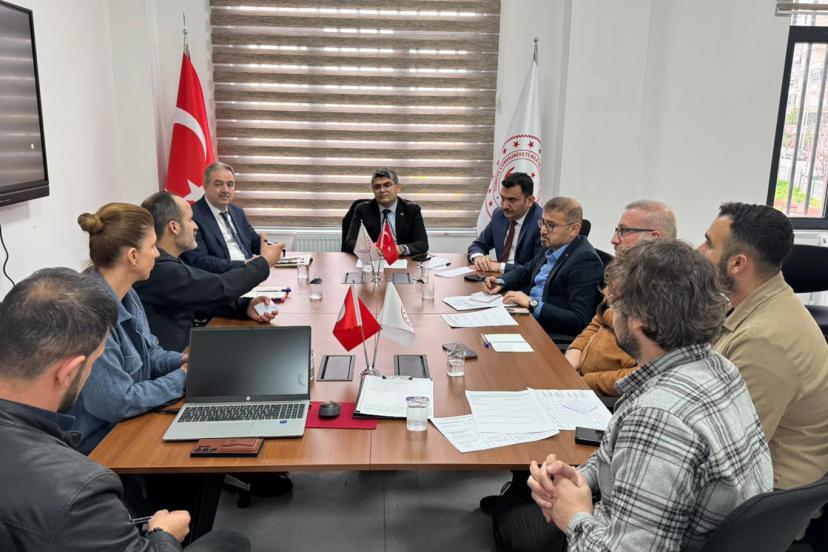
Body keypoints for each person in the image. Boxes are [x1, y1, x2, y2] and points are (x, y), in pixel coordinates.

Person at [492, 240, 772, 552]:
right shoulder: (720, 367)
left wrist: (574, 516)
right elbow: (617, 456)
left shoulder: (656, 418)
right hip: (666, 526)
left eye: (615, 304)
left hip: (617, 537)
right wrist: (581, 477)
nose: (611, 313)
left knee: (513, 522)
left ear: (640, 321)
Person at [0, 267, 250, 551]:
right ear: (67, 373)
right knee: (230, 542)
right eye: (94, 364)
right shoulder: (81, 490)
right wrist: (163, 535)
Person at [699, 202, 828, 490]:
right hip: (745, 480)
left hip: (765, 499)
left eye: (708, 244)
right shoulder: (751, 304)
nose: (699, 251)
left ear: (737, 264)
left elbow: (726, 454)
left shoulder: (764, 341)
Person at [69, 203, 187, 454]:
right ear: (133, 256)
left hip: (131, 425)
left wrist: (183, 361)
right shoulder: (90, 313)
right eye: (153, 246)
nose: (157, 254)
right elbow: (117, 402)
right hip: (102, 444)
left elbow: (150, 354)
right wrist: (182, 377)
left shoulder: (128, 294)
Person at [134, 192, 283, 352]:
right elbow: (219, 287)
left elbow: (196, 298)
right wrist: (264, 262)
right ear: (174, 227)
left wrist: (243, 307)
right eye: (190, 220)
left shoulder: (168, 262)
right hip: (172, 361)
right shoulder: (159, 268)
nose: (196, 226)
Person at [565, 200, 677, 396]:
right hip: (577, 377)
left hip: (603, 397)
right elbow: (598, 320)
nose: (614, 240)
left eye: (624, 231)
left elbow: (645, 373)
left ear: (654, 238)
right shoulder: (625, 274)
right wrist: (575, 351)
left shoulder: (670, 295)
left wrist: (585, 381)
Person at [483, 197, 603, 339]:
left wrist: (532, 304)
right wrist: (501, 281)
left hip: (547, 333)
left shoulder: (585, 261)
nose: (543, 231)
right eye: (543, 223)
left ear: (574, 229)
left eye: (551, 225)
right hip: (527, 317)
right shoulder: (553, 245)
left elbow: (579, 320)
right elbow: (525, 271)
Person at [181, 162, 262, 273]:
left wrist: (274, 248)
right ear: (205, 186)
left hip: (249, 273)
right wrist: (243, 265)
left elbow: (254, 242)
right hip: (220, 277)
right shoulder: (192, 215)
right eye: (218, 184)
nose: (225, 190)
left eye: (230, 184)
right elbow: (199, 260)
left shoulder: (237, 211)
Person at [342, 167, 429, 256]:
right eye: (377, 187)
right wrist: (369, 248)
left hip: (401, 258)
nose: (382, 190)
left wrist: (400, 249)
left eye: (387, 185)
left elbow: (422, 243)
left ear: (398, 188)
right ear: (373, 190)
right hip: (374, 259)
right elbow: (349, 243)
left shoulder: (412, 210)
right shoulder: (362, 210)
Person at [468, 172, 542, 273]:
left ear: (529, 201)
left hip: (523, 281)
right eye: (503, 198)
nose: (504, 206)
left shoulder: (541, 224)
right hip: (497, 277)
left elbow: (537, 268)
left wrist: (500, 267)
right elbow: (478, 245)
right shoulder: (499, 215)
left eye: (512, 200)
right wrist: (479, 258)